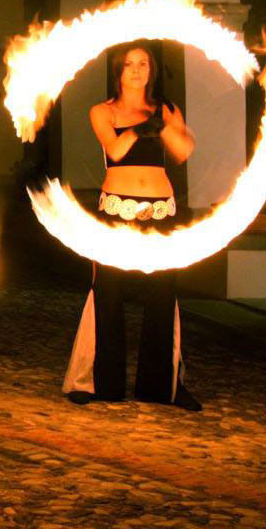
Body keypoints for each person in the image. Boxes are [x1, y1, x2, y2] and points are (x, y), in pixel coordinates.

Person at [63, 42, 199, 410]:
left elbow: (183, 150)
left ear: (151, 70)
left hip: (160, 211)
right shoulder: (102, 112)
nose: (137, 70)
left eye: (143, 64)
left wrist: (164, 121)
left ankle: (163, 387)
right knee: (108, 291)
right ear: (118, 72)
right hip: (116, 209)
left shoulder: (167, 109)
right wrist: (144, 127)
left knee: (162, 293)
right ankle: (96, 383)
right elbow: (117, 150)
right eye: (129, 64)